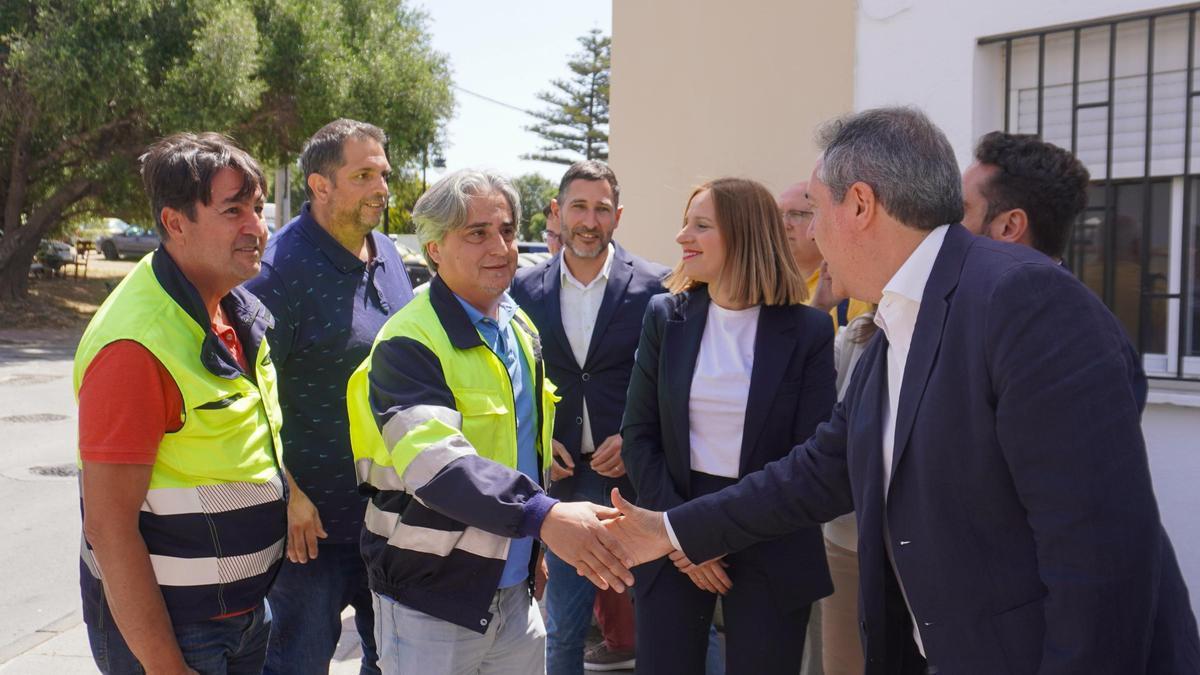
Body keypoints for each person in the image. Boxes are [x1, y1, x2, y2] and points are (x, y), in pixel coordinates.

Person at [605, 107, 1200, 674]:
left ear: (860, 204)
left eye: (813, 210)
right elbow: (820, 470)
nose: (806, 235)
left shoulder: (1023, 300)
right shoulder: (901, 318)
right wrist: (670, 530)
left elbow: (1099, 558)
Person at [346, 168, 634, 675]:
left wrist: (533, 550)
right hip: (430, 600)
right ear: (434, 248)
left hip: (514, 596)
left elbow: (522, 446)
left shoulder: (518, 325)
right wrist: (545, 517)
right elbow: (437, 469)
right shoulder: (409, 340)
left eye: (505, 230)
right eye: (476, 233)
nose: (499, 247)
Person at [74, 132, 284, 673]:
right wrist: (166, 666)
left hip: (241, 615)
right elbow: (109, 528)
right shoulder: (136, 345)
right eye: (233, 210)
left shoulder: (234, 308)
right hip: (177, 635)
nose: (256, 228)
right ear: (174, 223)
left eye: (257, 209)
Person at [619, 177, 835, 674]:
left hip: (771, 532)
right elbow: (638, 436)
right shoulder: (663, 316)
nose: (681, 237)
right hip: (670, 522)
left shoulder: (808, 332)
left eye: (700, 225)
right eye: (684, 223)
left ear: (743, 234)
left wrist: (708, 534)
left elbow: (808, 461)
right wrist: (682, 537)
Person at [243, 118, 413, 674]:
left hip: (388, 520)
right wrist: (288, 492)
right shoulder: (277, 273)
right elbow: (246, 394)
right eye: (363, 175)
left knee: (392, 663)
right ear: (320, 186)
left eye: (382, 174)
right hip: (308, 534)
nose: (381, 188)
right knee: (294, 665)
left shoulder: (387, 253)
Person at [511, 160, 668, 674]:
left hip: (633, 481)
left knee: (662, 620)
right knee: (564, 628)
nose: (589, 219)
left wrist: (635, 436)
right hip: (563, 486)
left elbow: (671, 384)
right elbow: (517, 378)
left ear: (617, 217)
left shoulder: (655, 287)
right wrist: (539, 440)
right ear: (557, 211)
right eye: (578, 206)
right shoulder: (523, 291)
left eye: (602, 209)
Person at [960, 130, 1148, 413]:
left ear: (1009, 227)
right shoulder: (978, 305)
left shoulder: (1074, 342)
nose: (948, 226)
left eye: (961, 210)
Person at [779, 180, 872, 329]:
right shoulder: (767, 288)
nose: (784, 224)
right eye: (779, 214)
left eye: (796, 214)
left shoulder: (849, 291)